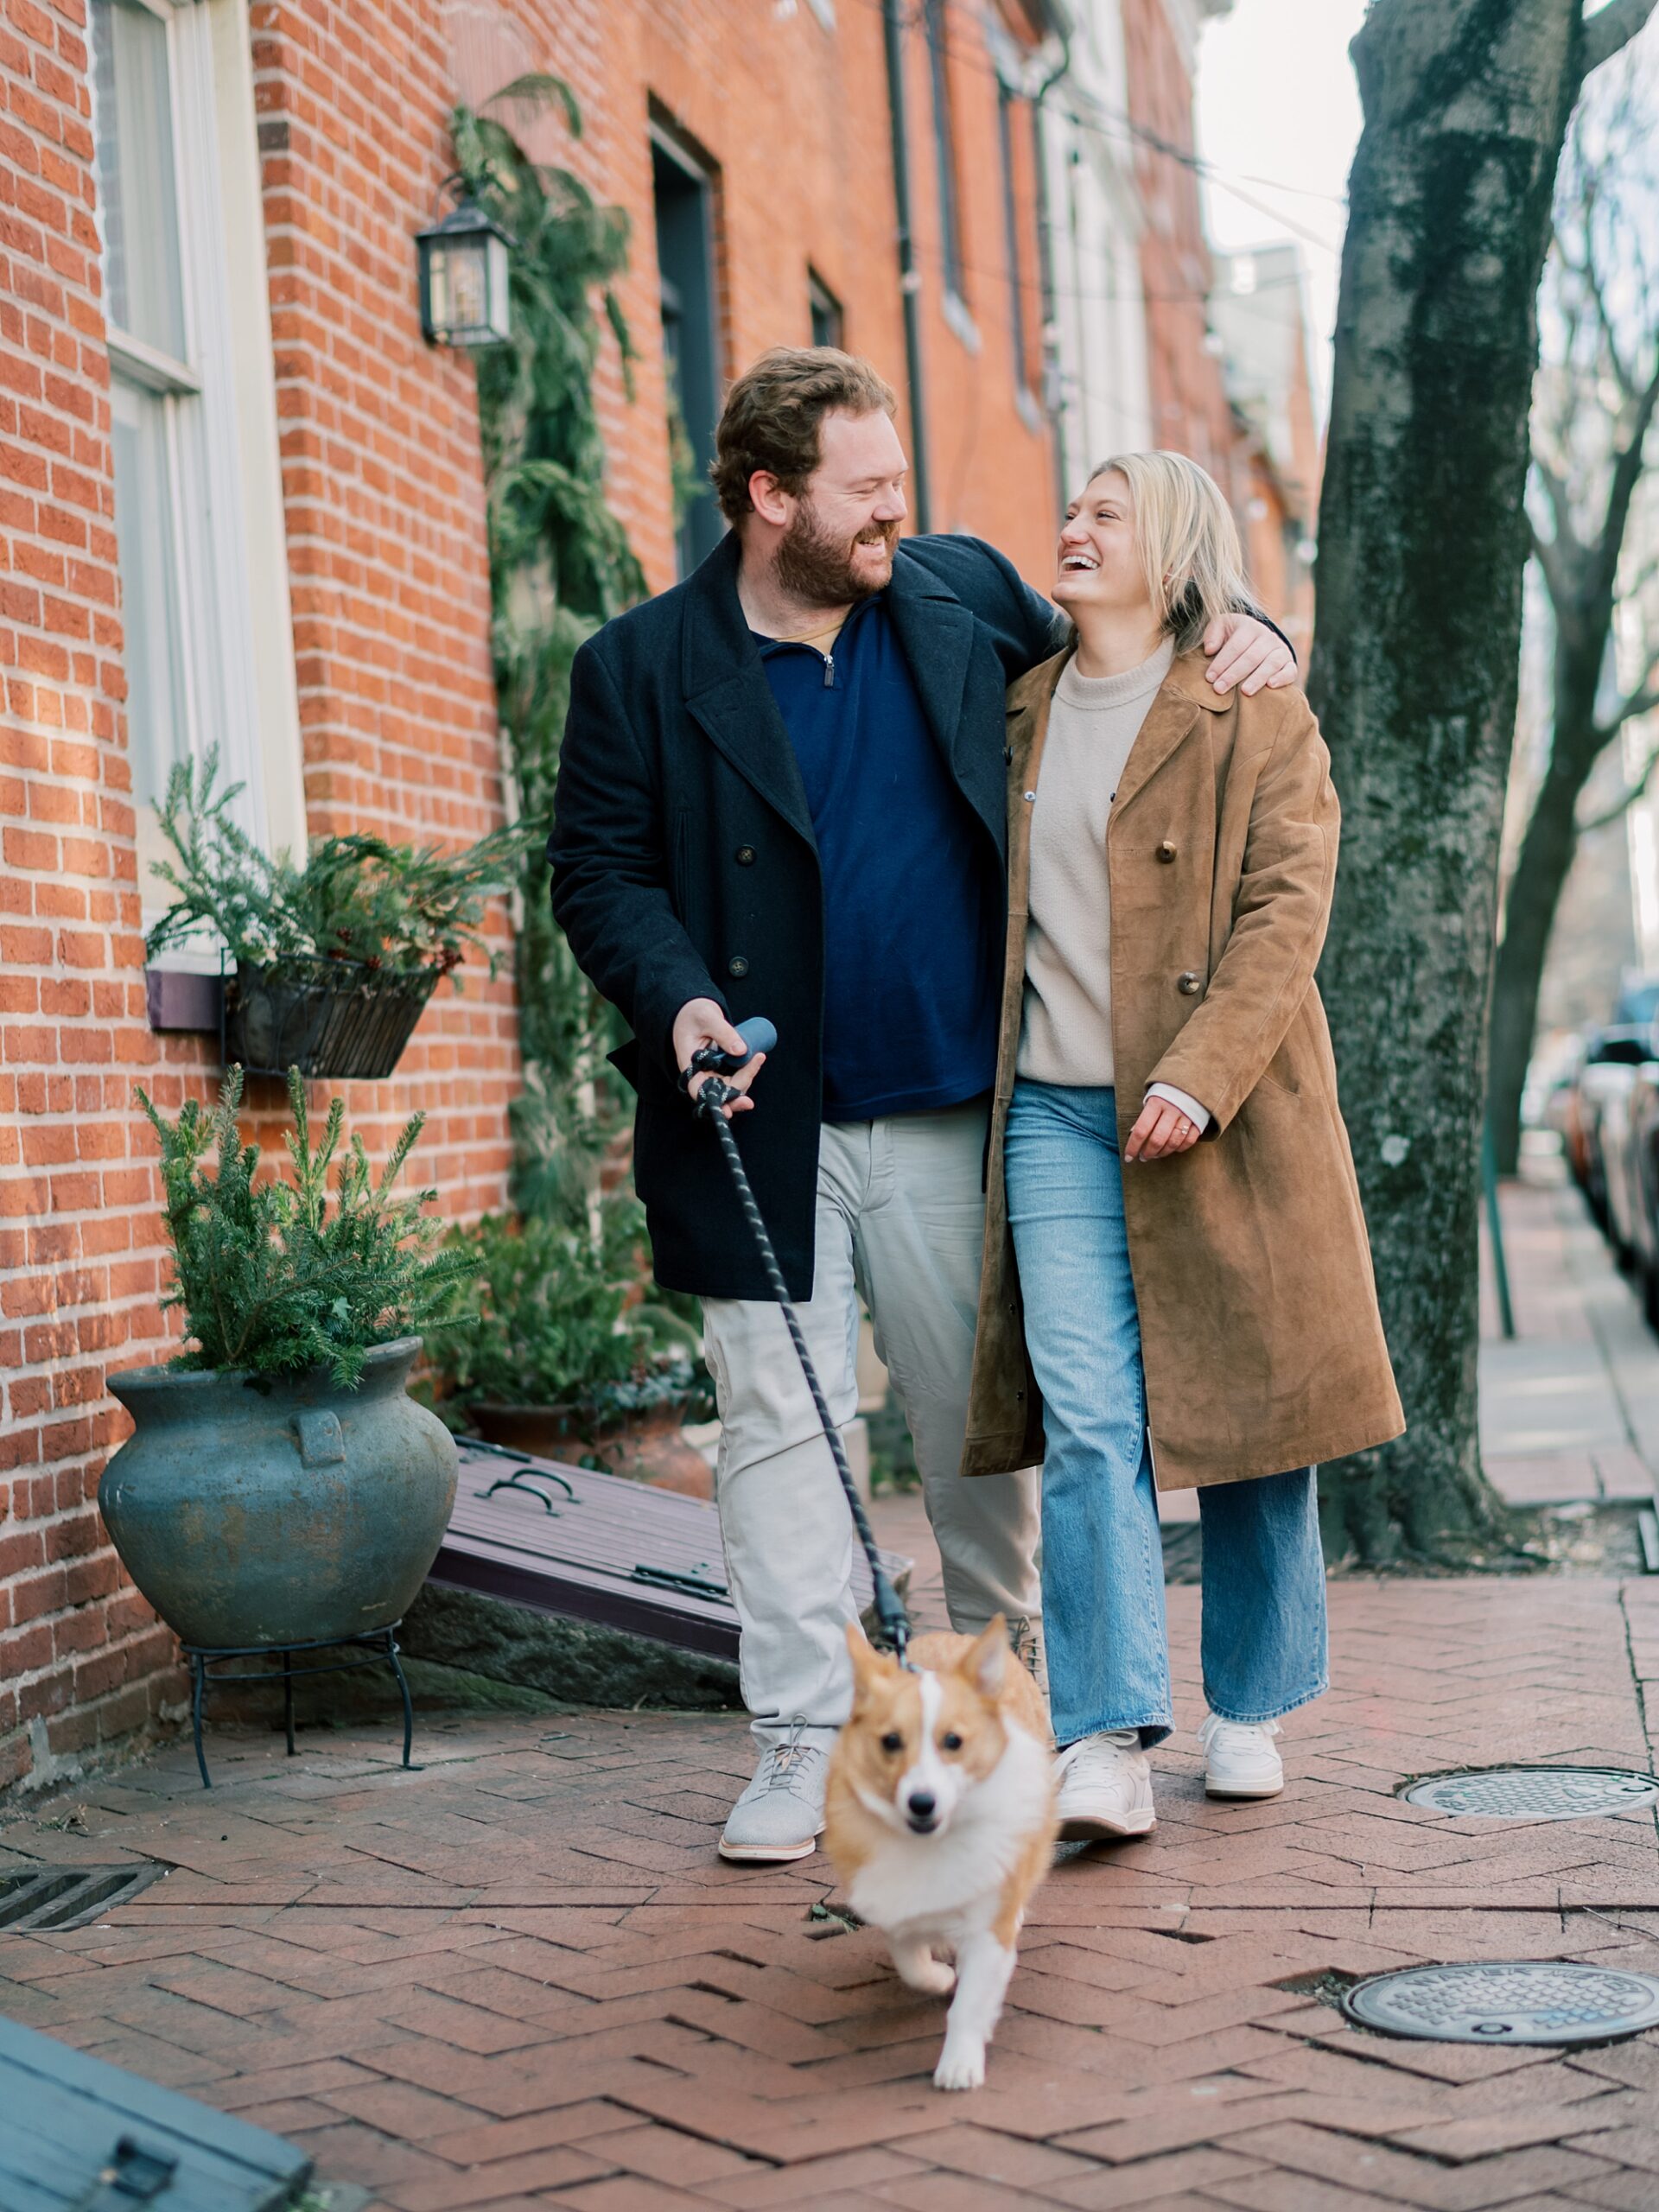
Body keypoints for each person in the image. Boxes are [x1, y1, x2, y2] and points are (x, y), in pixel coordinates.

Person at [549, 351, 1294, 1864]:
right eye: (866, 489)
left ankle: (1006, 1708)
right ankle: (799, 1740)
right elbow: (598, 875)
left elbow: (1131, 652)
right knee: (774, 1429)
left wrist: (1247, 625)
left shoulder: (955, 598)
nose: (901, 510)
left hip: (963, 1105)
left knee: (981, 1442)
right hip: (756, 1122)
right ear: (771, 499)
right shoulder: (636, 669)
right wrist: (679, 993)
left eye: (899, 481)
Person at [960, 452, 1404, 1839]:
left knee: (1257, 1411)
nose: (1073, 527)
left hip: (1228, 1106)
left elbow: (1288, 909)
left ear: (1178, 550)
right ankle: (1104, 1733)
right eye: (1073, 506)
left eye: (1107, 513)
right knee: (1091, 1421)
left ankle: (1252, 1704)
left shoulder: (1253, 704)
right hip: (1053, 1110)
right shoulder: (1019, 709)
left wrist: (1203, 1078)